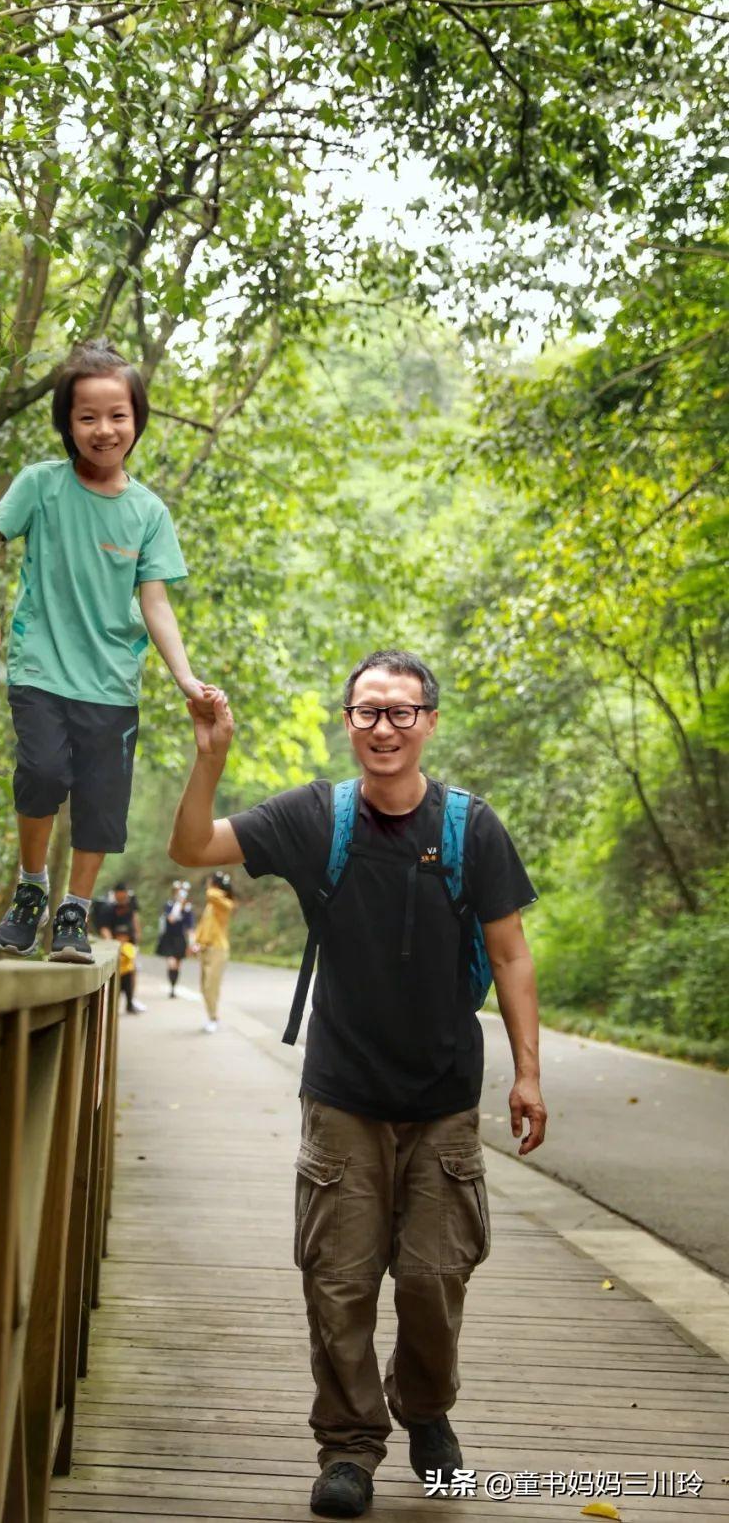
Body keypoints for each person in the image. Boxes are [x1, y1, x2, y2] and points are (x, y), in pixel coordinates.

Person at [167, 649, 546, 1519]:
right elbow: (191, 846)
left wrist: (528, 1074)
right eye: (369, 712)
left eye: (402, 712)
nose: (385, 727)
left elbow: (511, 952)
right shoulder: (315, 819)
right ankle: (348, 1446)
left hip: (445, 1098)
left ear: (429, 724)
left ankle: (425, 1407)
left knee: (433, 1279)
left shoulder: (470, 829)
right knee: (337, 1281)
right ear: (348, 723)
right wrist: (210, 757)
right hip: (342, 1094)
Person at [0, 339, 212, 963]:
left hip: (112, 683)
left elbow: (154, 603)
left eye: (117, 415)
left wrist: (185, 679)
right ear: (68, 423)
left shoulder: (148, 512)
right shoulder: (41, 487)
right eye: (87, 417)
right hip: (42, 668)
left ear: (136, 420)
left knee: (100, 807)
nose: (103, 429)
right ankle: (31, 889)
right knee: (44, 772)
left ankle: (73, 912)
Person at [192, 870, 236, 1033]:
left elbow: (211, 894)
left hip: (218, 950)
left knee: (212, 986)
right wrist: (197, 942)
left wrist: (216, 884)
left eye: (210, 882)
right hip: (205, 949)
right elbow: (204, 926)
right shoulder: (211, 906)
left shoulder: (224, 903)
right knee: (204, 987)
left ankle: (213, 1018)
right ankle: (211, 1016)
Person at [156, 878, 195, 996]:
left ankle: (173, 987)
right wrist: (178, 906)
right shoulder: (169, 905)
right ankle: (171, 987)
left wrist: (192, 943)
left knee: (177, 964)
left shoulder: (187, 910)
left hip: (179, 938)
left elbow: (190, 927)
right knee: (171, 962)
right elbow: (171, 919)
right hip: (169, 937)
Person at [116, 938, 144, 1015]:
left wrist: (122, 951)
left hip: (127, 972)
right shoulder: (117, 946)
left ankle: (129, 1005)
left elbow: (131, 956)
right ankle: (115, 1008)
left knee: (129, 991)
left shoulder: (128, 946)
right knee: (117, 992)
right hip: (119, 973)